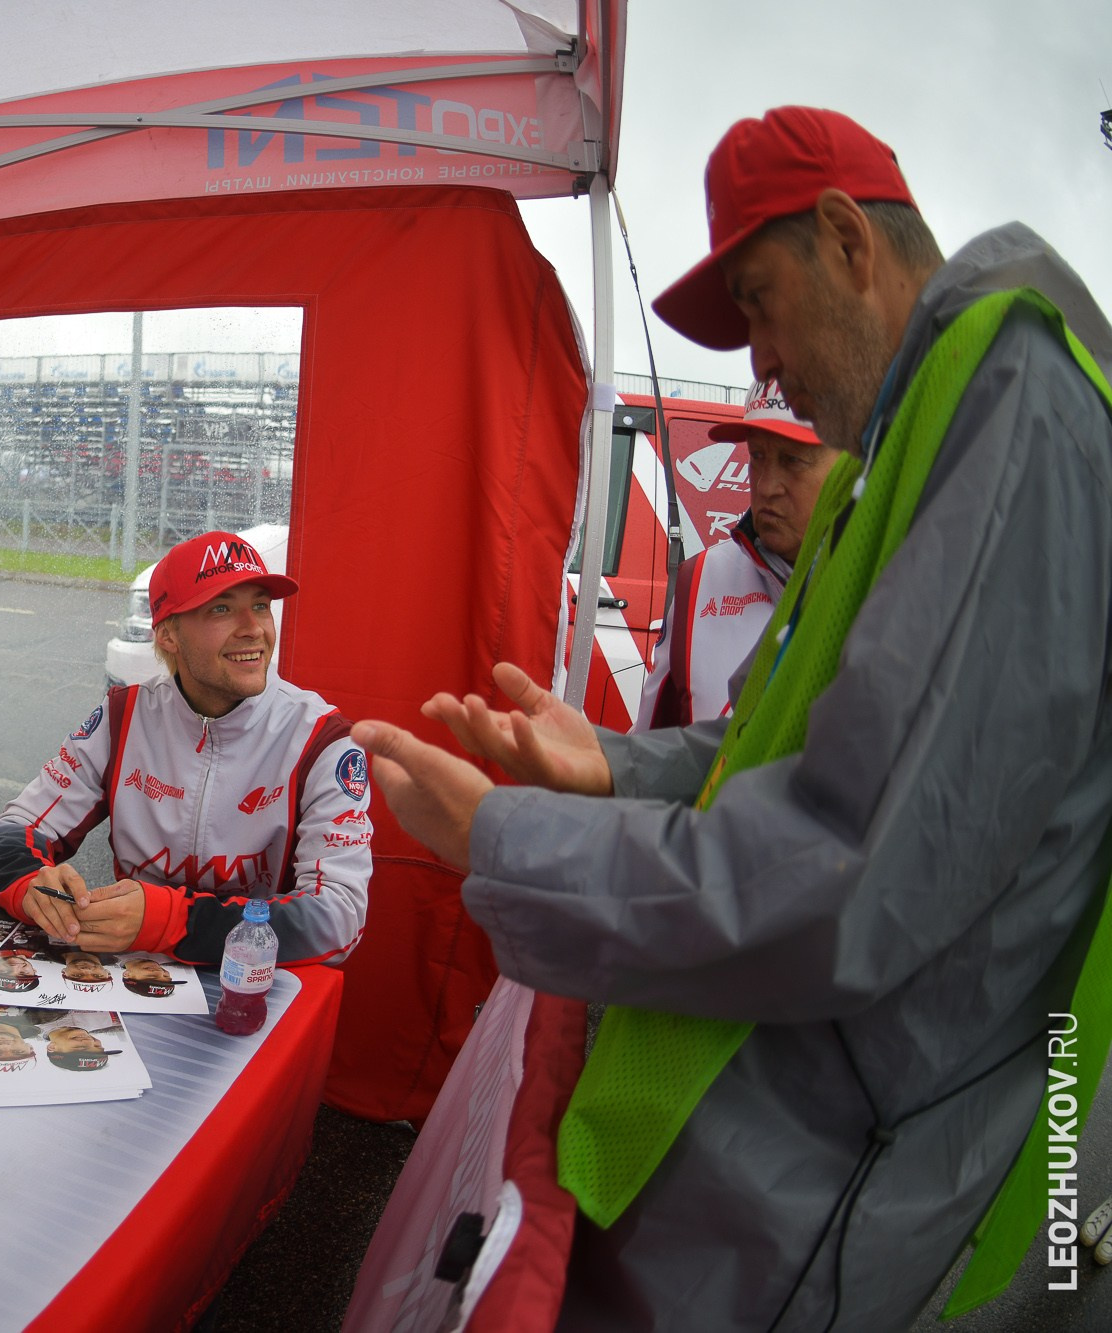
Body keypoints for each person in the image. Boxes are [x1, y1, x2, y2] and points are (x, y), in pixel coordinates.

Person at [352, 105, 1112, 1331]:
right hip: (825, 1138)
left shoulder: (1008, 388)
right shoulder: (898, 450)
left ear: (846, 240)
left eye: (756, 304)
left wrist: (504, 839)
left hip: (881, 1166)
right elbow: (773, 743)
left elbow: (847, 870)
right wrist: (601, 762)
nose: (756, 372)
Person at [0, 529, 370, 965]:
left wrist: (171, 921)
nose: (253, 629)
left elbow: (339, 917)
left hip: (251, 992)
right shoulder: (123, 717)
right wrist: (30, 887)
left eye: (260, 605)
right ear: (167, 635)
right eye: (222, 609)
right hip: (129, 981)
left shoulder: (321, 740)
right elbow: (13, 830)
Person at [632, 378, 838, 728]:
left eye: (792, 460)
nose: (765, 486)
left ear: (852, 464)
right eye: (757, 456)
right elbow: (651, 748)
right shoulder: (698, 580)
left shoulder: (890, 578)